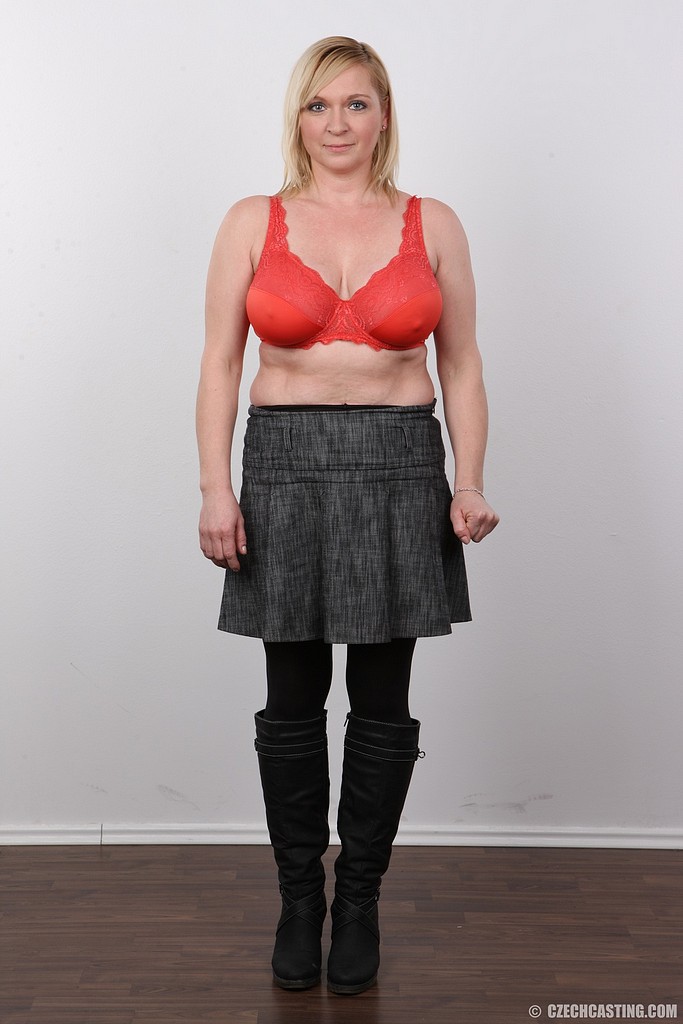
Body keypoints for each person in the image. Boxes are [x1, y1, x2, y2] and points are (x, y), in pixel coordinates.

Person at [196, 36, 499, 995]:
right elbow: (219, 363)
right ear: (297, 118)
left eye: (356, 104)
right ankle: (300, 900)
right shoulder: (251, 220)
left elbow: (461, 365)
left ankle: (357, 901)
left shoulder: (432, 222)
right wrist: (214, 488)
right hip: (282, 466)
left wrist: (467, 481)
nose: (337, 123)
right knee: (291, 697)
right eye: (319, 105)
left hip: (399, 465)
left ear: (383, 116)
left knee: (380, 698)